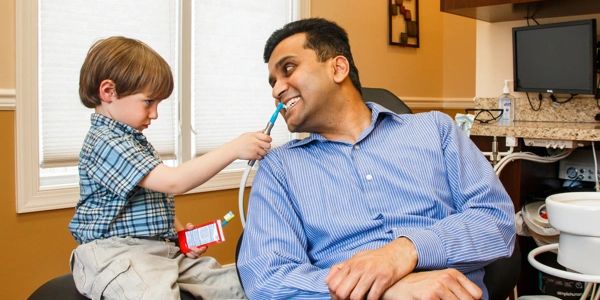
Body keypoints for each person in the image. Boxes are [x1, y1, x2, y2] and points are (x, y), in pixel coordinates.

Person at [237, 18, 516, 300]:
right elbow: (267, 279)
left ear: (338, 68)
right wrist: (381, 289)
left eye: (288, 69)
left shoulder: (435, 130)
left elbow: (495, 221)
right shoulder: (279, 169)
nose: (276, 91)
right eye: (272, 83)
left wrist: (405, 251)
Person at [68, 36, 271, 300]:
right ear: (109, 92)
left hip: (159, 250)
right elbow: (173, 182)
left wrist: (180, 235)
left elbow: (153, 197)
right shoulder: (106, 142)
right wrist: (234, 149)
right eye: (148, 102)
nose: (154, 114)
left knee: (233, 286)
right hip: (114, 253)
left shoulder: (132, 139)